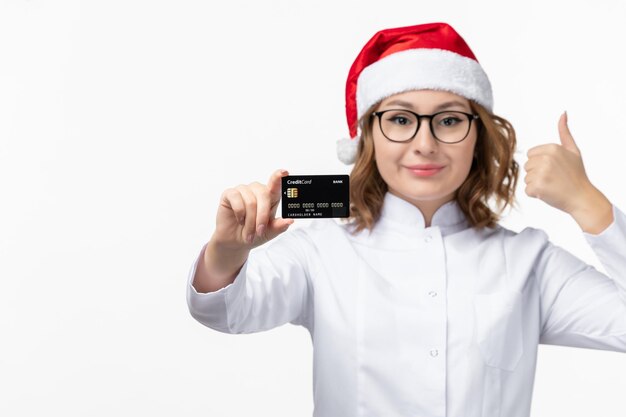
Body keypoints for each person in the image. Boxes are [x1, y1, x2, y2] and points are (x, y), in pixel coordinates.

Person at [186, 22, 626, 417]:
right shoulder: (321, 250)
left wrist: (589, 204)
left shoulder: (530, 261)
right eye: (400, 119)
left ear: (479, 136)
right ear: (368, 137)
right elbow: (225, 312)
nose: (425, 143)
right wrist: (228, 250)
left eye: (449, 120)